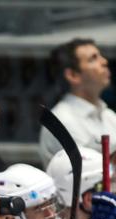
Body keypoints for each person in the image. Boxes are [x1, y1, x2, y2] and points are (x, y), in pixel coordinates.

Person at [39, 38, 116, 166]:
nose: (104, 61)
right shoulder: (61, 121)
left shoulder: (108, 115)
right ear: (73, 75)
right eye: (93, 59)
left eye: (100, 56)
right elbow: (94, 171)